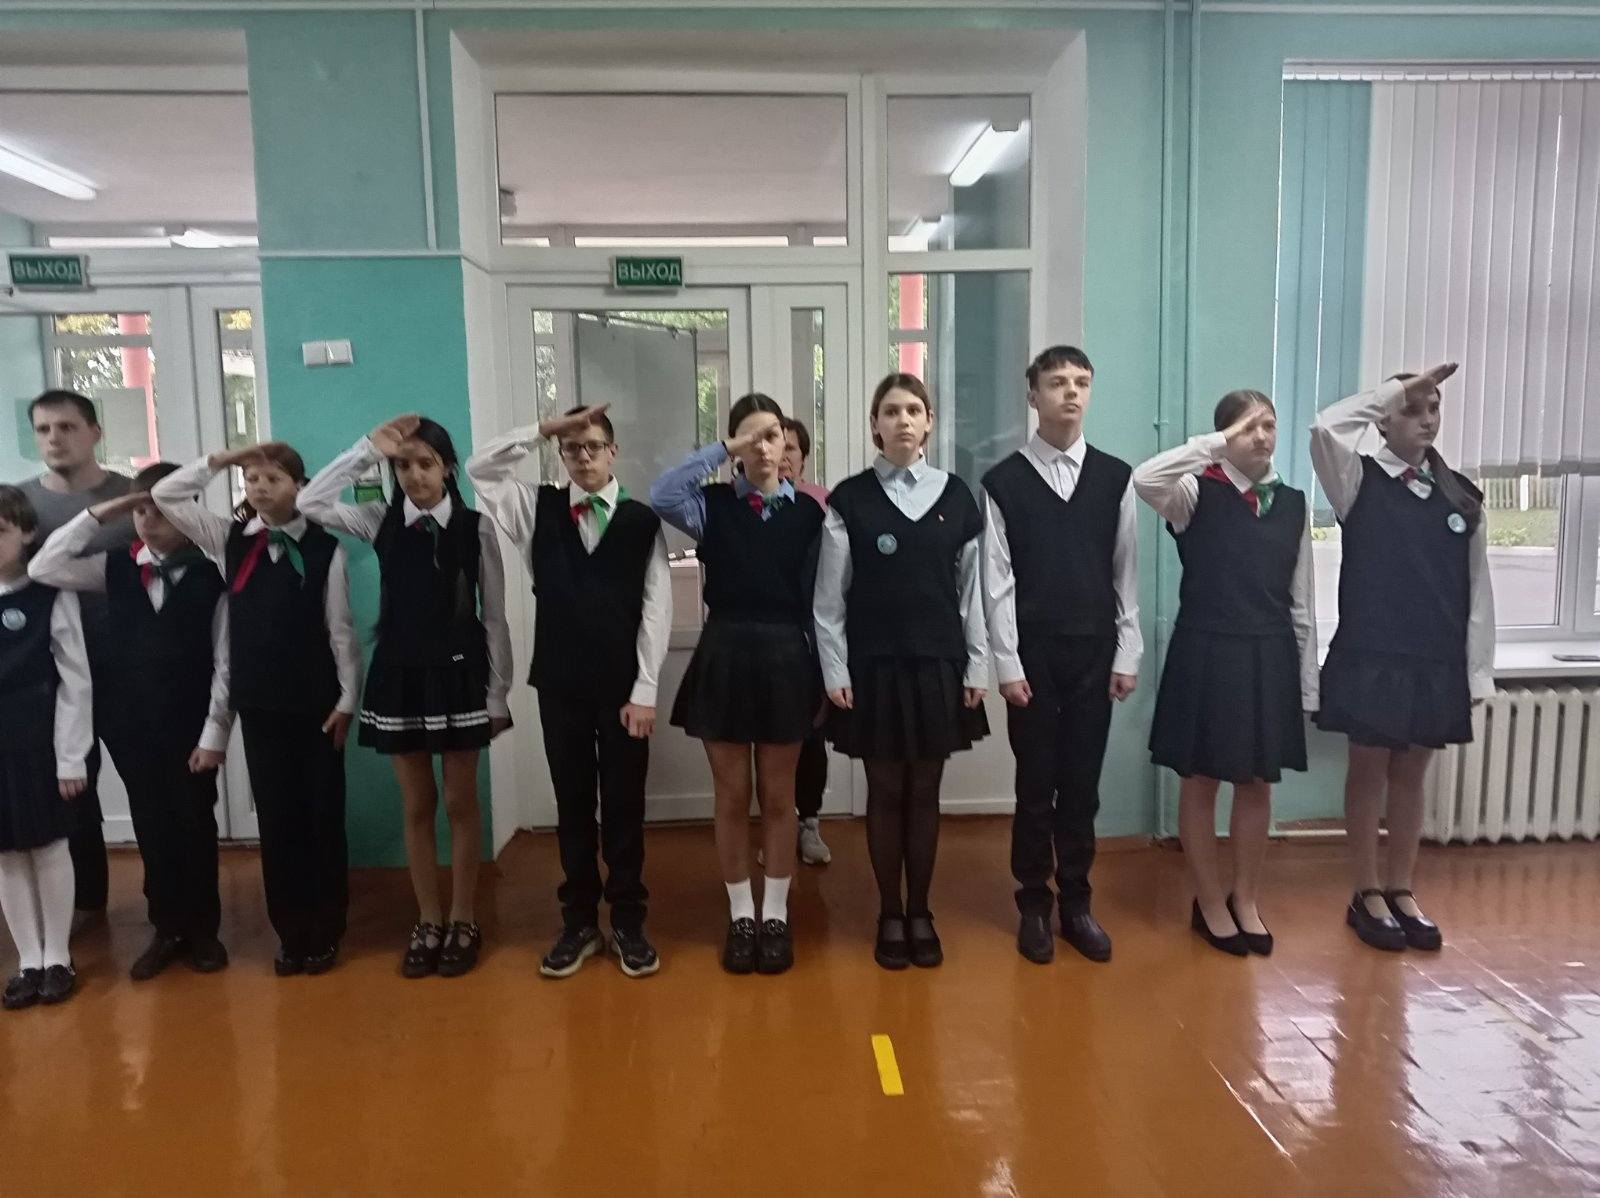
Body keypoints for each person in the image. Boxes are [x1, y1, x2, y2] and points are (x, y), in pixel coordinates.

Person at [300, 416, 512, 979]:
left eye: (426, 463)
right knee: (417, 804)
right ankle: (428, 919)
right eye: (403, 465)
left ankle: (464, 916)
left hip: (459, 678)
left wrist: (498, 693)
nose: (415, 475)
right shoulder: (379, 520)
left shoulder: (476, 528)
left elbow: (494, 618)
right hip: (399, 678)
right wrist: (366, 450)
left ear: (448, 468)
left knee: (460, 803)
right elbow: (309, 502)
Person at [466, 404, 670, 979]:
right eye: (571, 448)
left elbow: (656, 609)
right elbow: (480, 469)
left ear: (613, 452)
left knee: (624, 806)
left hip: (625, 690)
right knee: (573, 804)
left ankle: (628, 921)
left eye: (593, 446)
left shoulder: (641, 521)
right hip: (560, 683)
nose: (583, 456)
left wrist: (646, 689)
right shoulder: (537, 507)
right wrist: (542, 429)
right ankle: (579, 922)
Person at [153, 442, 361, 976]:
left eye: (273, 478)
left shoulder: (325, 548)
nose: (261, 487)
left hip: (318, 707)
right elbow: (166, 494)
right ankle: (291, 932)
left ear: (299, 485)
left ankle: (326, 928)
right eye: (251, 479)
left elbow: (341, 632)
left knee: (321, 818)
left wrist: (347, 698)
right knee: (277, 819)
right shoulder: (228, 539)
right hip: (260, 706)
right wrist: (223, 460)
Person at [1310, 363, 1494, 952]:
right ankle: (1366, 892)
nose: (1426, 419)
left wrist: (1477, 672)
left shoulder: (1461, 493)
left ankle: (1402, 889)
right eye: (1412, 410)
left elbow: (1478, 590)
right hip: (1373, 654)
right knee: (1368, 770)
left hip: (1435, 657)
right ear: (1383, 421)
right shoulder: (1356, 480)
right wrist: (1392, 392)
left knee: (1412, 774)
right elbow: (1326, 429)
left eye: (1433, 408)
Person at [30, 463, 233, 979]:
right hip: (132, 723)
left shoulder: (212, 573)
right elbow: (44, 566)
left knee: (194, 821)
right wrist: (100, 514)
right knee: (151, 822)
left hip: (190, 725)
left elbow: (225, 661)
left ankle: (203, 929)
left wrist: (215, 732)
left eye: (159, 511)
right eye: (139, 510)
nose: (147, 520)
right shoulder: (115, 566)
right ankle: (166, 927)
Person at [1133, 392, 1316, 957]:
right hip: (1207, 650)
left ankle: (1246, 898)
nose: (1261, 437)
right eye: (1247, 428)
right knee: (1201, 780)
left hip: (1269, 653)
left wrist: (1304, 683)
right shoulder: (1193, 493)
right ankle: (1209, 900)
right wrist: (1214, 444)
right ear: (1223, 437)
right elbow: (1144, 479)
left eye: (1269, 425)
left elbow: (1301, 601)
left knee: (1257, 782)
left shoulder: (1292, 503)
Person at [816, 374, 988, 969]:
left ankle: (921, 911)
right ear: (875, 424)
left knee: (925, 792)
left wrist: (978, 665)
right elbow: (829, 600)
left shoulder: (957, 497)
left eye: (914, 410)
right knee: (886, 791)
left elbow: (973, 593)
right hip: (874, 668)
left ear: (929, 421)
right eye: (891, 411)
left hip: (938, 663)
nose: (903, 420)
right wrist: (834, 669)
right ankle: (890, 911)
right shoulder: (849, 499)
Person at [650, 394, 825, 976]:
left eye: (772, 435)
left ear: (787, 443)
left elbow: (821, 602)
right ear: (734, 448)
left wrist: (826, 673)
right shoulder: (712, 506)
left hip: (786, 657)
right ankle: (741, 913)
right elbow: (662, 494)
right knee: (730, 796)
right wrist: (723, 449)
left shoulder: (811, 514)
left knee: (778, 797)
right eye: (750, 438)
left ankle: (775, 913)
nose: (764, 447)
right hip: (725, 653)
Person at [981, 346, 1142, 965]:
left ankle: (1076, 902)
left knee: (1081, 786)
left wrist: (1126, 652)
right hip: (1034, 658)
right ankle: (1032, 903)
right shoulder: (1004, 482)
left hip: (1094, 654)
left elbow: (1124, 573)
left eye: (1081, 382)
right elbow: (997, 585)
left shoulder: (1115, 477)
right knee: (1034, 785)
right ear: (1033, 396)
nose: (1070, 392)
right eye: (1056, 382)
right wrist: (1008, 664)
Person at [16, 390, 133, 917]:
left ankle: (171, 913)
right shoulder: (18, 503)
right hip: (52, 674)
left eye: (66, 427)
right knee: (72, 789)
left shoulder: (131, 497)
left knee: (151, 786)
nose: (54, 438)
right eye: (43, 429)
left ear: (95, 433)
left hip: (128, 667)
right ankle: (86, 905)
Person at [0, 485, 91, 1008]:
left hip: (39, 737)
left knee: (50, 844)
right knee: (7, 852)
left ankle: (58, 956)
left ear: (27, 533)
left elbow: (75, 679)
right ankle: (27, 960)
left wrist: (70, 756)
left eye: (1, 531)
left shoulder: (49, 593)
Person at [779, 416, 832, 867]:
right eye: (774, 446)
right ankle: (776, 828)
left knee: (812, 734)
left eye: (791, 448)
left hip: (813, 637)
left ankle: (808, 823)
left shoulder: (824, 504)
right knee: (771, 740)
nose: (782, 456)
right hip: (763, 637)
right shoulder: (742, 502)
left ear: (803, 458)